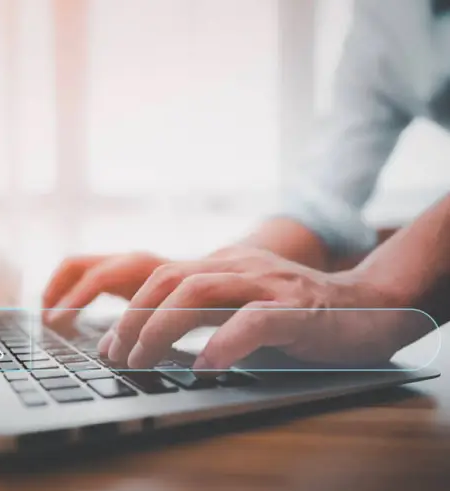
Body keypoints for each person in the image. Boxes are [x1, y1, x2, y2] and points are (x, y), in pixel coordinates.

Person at [43, 0, 450, 369]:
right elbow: (322, 204)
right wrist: (210, 276)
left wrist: (379, 293)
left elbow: (371, 281)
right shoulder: (384, 14)